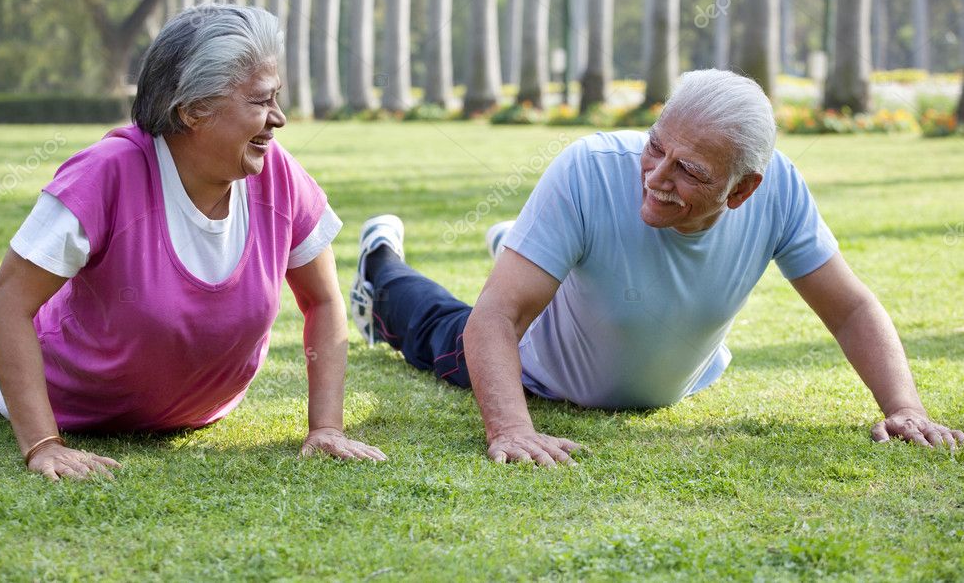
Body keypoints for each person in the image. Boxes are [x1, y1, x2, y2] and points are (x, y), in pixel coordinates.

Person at [349, 69, 963, 466]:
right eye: (655, 146)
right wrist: (510, 428)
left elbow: (851, 307)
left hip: (665, 370)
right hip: (539, 368)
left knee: (537, 273)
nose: (656, 178)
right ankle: (381, 261)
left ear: (743, 189)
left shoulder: (780, 193)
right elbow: (495, 318)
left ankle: (533, 248)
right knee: (437, 328)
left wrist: (904, 406)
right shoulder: (590, 168)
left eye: (689, 172)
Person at [0, 5, 385, 480]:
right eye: (259, 101)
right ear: (193, 110)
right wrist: (43, 444)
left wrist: (327, 428)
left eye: (276, 97)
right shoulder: (105, 173)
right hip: (65, 394)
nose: (277, 118)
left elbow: (323, 300)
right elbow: (10, 302)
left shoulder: (279, 176)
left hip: (193, 411)